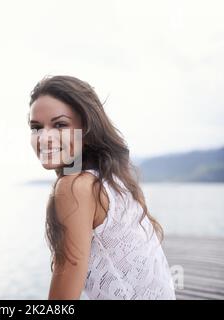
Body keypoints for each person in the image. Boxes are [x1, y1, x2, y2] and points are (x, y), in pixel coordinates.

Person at [27, 75, 176, 300]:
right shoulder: (116, 180)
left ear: (87, 131)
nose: (44, 137)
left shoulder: (75, 187)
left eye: (60, 125)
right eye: (36, 127)